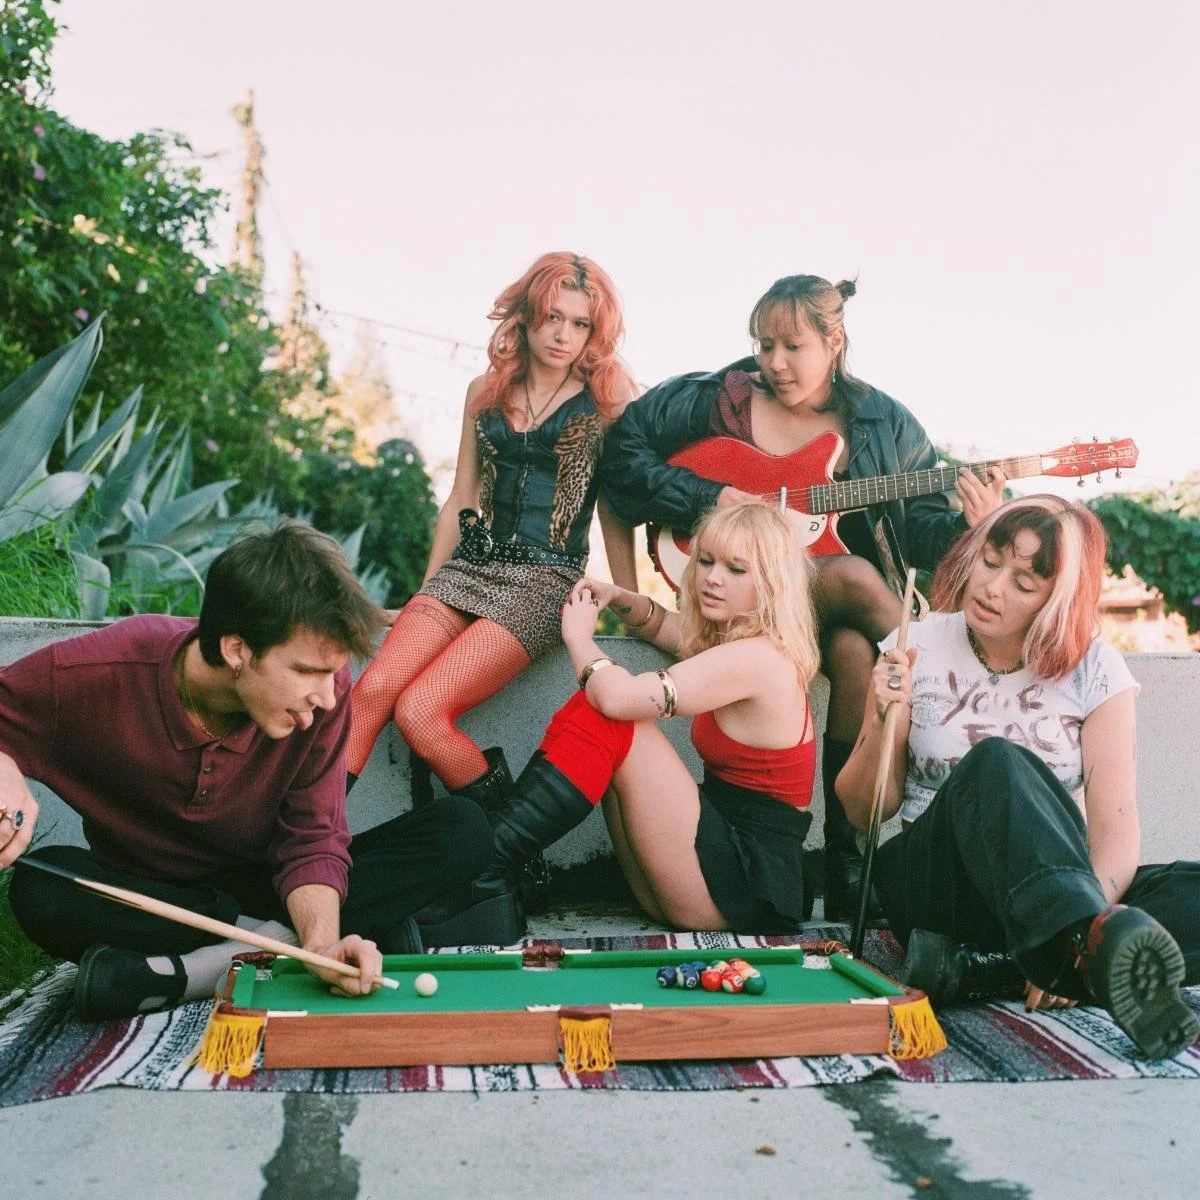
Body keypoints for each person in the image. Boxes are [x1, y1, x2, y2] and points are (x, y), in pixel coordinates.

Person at [600, 274, 1006, 922]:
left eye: (793, 346)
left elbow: (921, 531)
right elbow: (622, 453)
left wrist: (970, 525)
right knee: (856, 578)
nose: (775, 362)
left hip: (815, 617)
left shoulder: (884, 424)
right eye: (765, 345)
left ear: (834, 342)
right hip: (746, 603)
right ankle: (942, 680)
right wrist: (709, 498)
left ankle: (846, 862)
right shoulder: (715, 400)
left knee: (853, 653)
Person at [0, 521, 492, 1021]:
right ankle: (278, 945)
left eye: (333, 672)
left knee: (462, 828)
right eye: (308, 671)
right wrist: (5, 767)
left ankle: (192, 973)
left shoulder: (323, 698)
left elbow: (312, 837)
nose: (328, 695)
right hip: (153, 895)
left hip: (268, 884)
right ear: (237, 650)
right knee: (43, 886)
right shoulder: (101, 671)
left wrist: (322, 944)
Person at [837, 495, 1200, 1059]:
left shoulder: (1096, 669)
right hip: (938, 891)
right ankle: (1074, 955)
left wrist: (1084, 918)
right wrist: (888, 717)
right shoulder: (916, 644)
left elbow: (1115, 829)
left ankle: (992, 968)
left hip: (1043, 895)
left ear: (1057, 601)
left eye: (1024, 583)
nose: (992, 587)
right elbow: (864, 811)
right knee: (996, 762)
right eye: (990, 561)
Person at [346, 253, 638, 929]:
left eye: (579, 324)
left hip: (546, 577)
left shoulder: (606, 400)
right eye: (552, 318)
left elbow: (617, 507)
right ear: (527, 317)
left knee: (422, 712)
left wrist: (627, 601)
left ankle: (512, 857)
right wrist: (425, 596)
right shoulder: (485, 389)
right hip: (471, 566)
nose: (562, 335)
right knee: (372, 691)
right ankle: (313, 852)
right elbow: (459, 498)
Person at [426, 502, 822, 944]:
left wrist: (579, 638)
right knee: (594, 709)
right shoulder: (737, 642)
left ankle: (488, 871)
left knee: (615, 720)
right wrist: (618, 597)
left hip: (738, 889)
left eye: (736, 569)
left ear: (772, 583)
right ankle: (493, 871)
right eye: (706, 561)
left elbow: (619, 699)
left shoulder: (758, 659)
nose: (712, 578)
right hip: (709, 871)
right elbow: (666, 627)